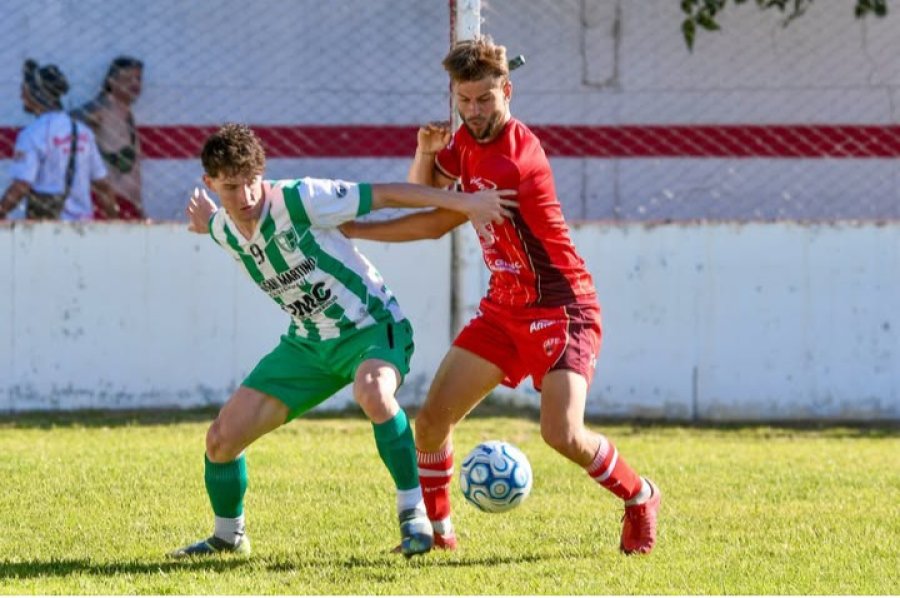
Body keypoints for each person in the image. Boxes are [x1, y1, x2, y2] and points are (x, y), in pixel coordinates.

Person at [341, 37, 662, 555]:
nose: (473, 112)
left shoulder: (511, 162)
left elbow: (431, 223)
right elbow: (426, 187)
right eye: (464, 100)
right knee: (430, 422)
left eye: (485, 100)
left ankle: (640, 495)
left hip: (562, 308)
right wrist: (426, 152)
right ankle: (439, 536)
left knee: (561, 434)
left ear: (507, 91)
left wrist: (356, 229)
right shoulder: (464, 143)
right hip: (505, 306)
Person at [169, 123, 516, 559]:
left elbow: (387, 194)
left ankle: (414, 514)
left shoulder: (301, 198)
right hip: (308, 346)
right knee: (220, 440)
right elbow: (212, 224)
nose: (245, 198)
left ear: (264, 175)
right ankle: (227, 537)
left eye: (251, 183)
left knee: (372, 390)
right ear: (211, 183)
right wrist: (204, 222)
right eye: (231, 187)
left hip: (372, 328)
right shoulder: (224, 225)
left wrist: (466, 202)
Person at [0, 60, 117, 221]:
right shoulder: (82, 132)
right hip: (84, 224)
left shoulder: (32, 134)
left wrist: (2, 210)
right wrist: (115, 221)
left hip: (47, 225)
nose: (21, 96)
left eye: (24, 90)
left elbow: (21, 185)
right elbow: (102, 184)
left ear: (36, 93)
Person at [73, 56, 145, 220]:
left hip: (129, 203)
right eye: (128, 79)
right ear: (112, 81)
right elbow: (69, 121)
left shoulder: (126, 113)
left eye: (138, 79)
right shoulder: (102, 108)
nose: (135, 84)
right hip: (107, 202)